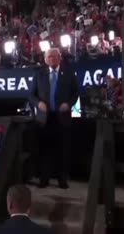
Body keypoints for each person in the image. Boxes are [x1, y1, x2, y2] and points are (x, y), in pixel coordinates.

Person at [29, 48, 79, 189]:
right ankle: (43, 179)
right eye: (48, 57)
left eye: (53, 56)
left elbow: (75, 93)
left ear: (59, 58)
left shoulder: (69, 73)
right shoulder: (39, 74)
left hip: (61, 117)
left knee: (62, 149)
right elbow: (31, 95)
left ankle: (62, 179)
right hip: (44, 119)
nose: (51, 59)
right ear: (45, 60)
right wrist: (38, 103)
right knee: (44, 149)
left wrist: (68, 104)